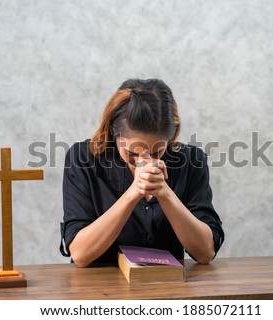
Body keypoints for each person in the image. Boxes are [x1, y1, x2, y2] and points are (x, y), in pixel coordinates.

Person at [60, 79, 224, 267]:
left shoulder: (192, 161)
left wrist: (165, 193)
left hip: (169, 286)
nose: (142, 159)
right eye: (131, 153)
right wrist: (133, 193)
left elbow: (205, 253)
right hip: (99, 288)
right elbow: (80, 254)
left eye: (156, 152)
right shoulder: (82, 158)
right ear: (114, 134)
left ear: (172, 136)